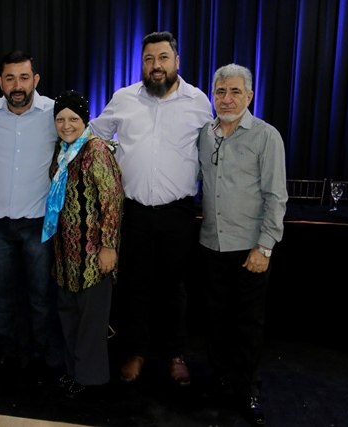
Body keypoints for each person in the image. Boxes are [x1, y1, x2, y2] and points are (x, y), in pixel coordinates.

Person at [89, 31, 213, 386]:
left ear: (177, 62)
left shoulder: (199, 102)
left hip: (179, 213)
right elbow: (94, 134)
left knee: (174, 287)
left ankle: (174, 354)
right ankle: (136, 352)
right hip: (135, 212)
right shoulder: (123, 99)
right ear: (141, 63)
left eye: (162, 58)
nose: (155, 66)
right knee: (134, 286)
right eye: (148, 59)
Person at [198, 63, 287, 425]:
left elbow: (276, 196)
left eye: (235, 91)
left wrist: (265, 247)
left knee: (248, 324)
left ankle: (247, 388)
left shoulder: (266, 136)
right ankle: (221, 380)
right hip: (210, 245)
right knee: (215, 321)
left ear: (249, 96)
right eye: (220, 91)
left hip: (249, 249)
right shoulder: (205, 133)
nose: (227, 98)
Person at [0, 50, 59, 381]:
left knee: (41, 297)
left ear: (35, 80)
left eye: (24, 77)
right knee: (1, 298)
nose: (17, 85)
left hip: (38, 224)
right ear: (0, 81)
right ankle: (8, 354)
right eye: (9, 78)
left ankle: (40, 355)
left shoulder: (53, 112)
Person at [42, 90, 124, 398]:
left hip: (93, 254)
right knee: (69, 313)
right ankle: (74, 370)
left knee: (90, 320)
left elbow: (112, 201)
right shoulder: (62, 150)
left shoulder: (96, 150)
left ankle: (91, 377)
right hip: (65, 253)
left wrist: (108, 246)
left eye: (73, 118)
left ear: (85, 120)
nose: (66, 125)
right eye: (60, 119)